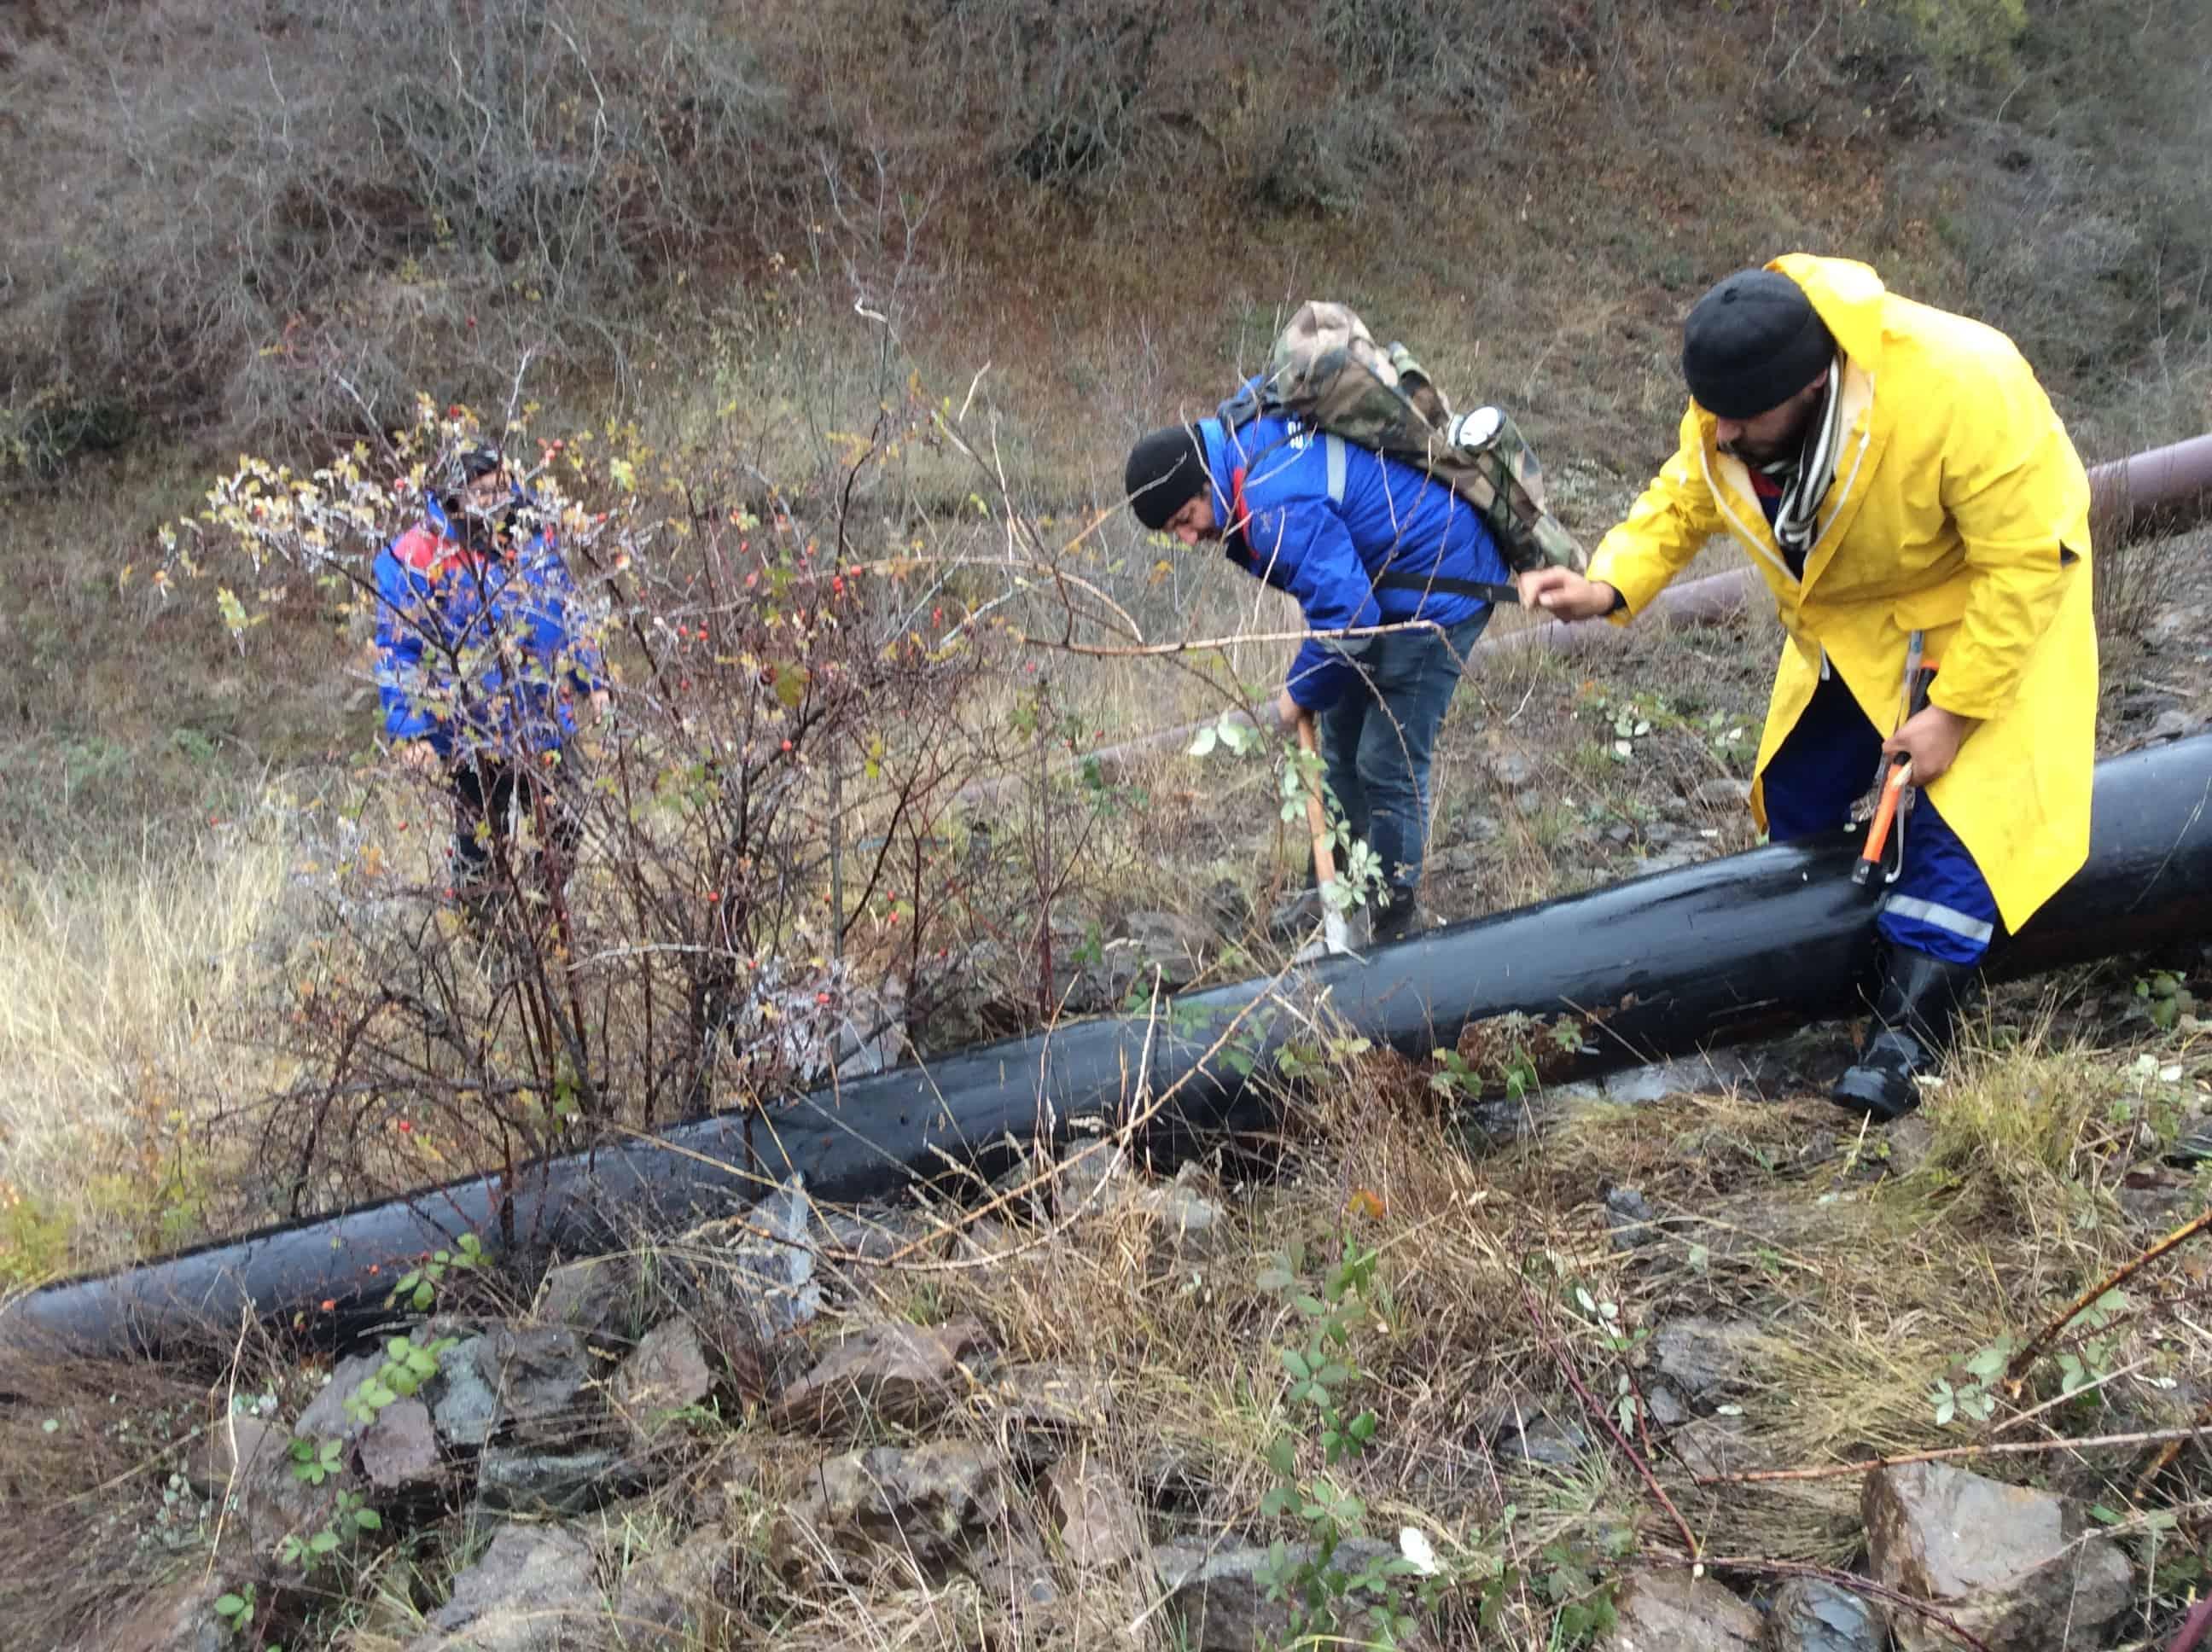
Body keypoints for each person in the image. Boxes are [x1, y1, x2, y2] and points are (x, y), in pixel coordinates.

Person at [1519, 255, 2097, 1120]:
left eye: (1741, 421)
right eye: (1714, 416)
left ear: (1816, 385)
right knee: (1795, 798)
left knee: (1959, 833)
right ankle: (1820, 974)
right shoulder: (1738, 401)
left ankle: (1908, 1038)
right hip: (1851, 628)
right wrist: (1607, 584)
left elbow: (2029, 561)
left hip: (1986, 618)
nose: (1720, 434)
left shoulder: (1963, 382)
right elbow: (1686, 495)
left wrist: (1954, 713)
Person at [1124, 404, 1511, 941]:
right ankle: (1328, 891)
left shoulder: (1273, 501)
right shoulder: (1237, 449)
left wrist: (1296, 693)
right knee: (1340, 739)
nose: (1189, 539)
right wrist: (1314, 683)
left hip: (1442, 587)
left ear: (1203, 480)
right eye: (1175, 532)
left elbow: (1348, 619)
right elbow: (1340, 600)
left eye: (1187, 519)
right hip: (1375, 592)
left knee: (1385, 759)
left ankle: (1391, 918)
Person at [374, 443, 609, 918]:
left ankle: (547, 928)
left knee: (565, 824)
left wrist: (593, 680)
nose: (496, 499)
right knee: (482, 848)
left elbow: (566, 609)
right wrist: (413, 731)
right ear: (455, 496)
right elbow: (399, 649)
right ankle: (490, 947)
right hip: (471, 733)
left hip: (540, 719)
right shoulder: (418, 555)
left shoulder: (530, 534)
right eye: (483, 491)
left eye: (501, 487)